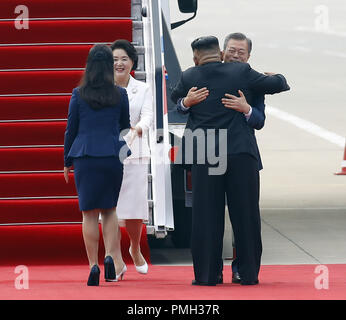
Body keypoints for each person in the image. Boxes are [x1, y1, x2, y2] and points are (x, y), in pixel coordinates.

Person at [171, 36, 290, 286]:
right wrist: (276, 76)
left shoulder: (190, 76)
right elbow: (279, 84)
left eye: (241, 51)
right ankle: (247, 274)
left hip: (204, 153)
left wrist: (186, 102)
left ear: (196, 58)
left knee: (205, 217)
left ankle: (207, 275)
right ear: (222, 52)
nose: (236, 55)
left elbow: (175, 100)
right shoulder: (244, 73)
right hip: (239, 153)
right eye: (232, 51)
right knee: (245, 215)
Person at [63, 44, 130, 286]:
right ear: (110, 67)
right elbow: (125, 127)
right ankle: (110, 258)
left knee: (88, 214)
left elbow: (71, 129)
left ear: (89, 65)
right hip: (112, 156)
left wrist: (67, 161)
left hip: (85, 156)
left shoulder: (78, 94)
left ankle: (93, 265)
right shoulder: (120, 94)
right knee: (110, 211)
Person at [110, 39, 153, 277]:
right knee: (111, 209)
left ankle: (135, 248)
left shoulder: (143, 88)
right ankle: (116, 259)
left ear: (132, 62)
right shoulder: (103, 88)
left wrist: (138, 129)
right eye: (115, 59)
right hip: (108, 154)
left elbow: (148, 116)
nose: (119, 63)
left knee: (135, 208)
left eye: (124, 59)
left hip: (135, 151)